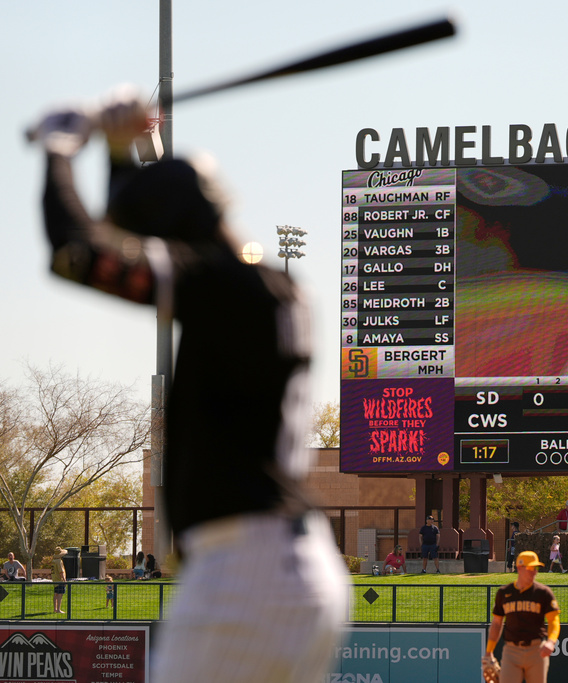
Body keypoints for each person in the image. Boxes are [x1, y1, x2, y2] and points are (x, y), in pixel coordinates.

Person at [34, 88, 348, 683]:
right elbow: (138, 226)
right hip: (288, 565)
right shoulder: (271, 285)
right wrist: (124, 149)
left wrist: (60, 145)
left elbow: (75, 251)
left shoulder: (226, 289)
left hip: (246, 571)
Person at [483, 551, 561, 683]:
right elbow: (496, 623)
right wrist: (489, 651)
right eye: (530, 568)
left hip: (536, 651)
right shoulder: (505, 593)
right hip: (511, 651)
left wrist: (551, 641)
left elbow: (554, 621)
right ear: (519, 568)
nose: (534, 572)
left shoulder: (543, 593)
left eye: (535, 568)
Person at [53, 547, 67, 614]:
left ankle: (55, 609)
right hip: (59, 580)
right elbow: (61, 572)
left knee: (55, 594)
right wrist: (64, 580)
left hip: (55, 580)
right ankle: (58, 609)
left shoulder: (53, 561)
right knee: (60, 594)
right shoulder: (59, 561)